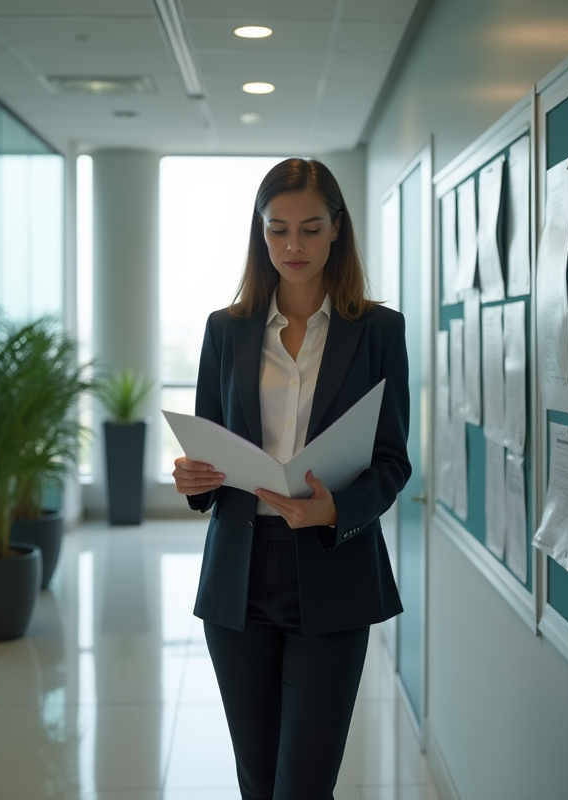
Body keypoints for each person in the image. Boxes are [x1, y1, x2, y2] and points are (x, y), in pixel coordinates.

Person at [171, 157, 410, 800]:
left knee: (302, 786)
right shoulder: (226, 330)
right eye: (278, 230)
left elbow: (392, 461)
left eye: (309, 228)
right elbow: (209, 449)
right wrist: (195, 479)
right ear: (260, 233)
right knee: (256, 779)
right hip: (239, 573)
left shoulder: (379, 331)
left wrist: (335, 511)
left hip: (332, 570)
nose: (293, 246)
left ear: (337, 228)